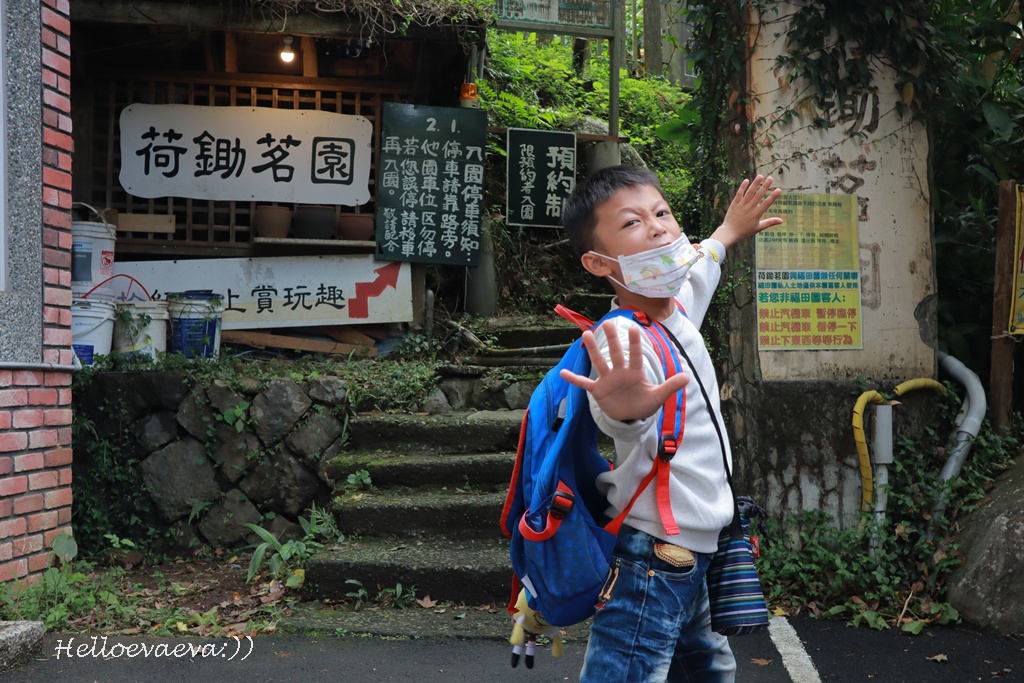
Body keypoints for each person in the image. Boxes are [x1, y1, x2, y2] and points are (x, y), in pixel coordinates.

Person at [559, 165, 782, 683]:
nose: (659, 227)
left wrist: (728, 232)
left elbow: (701, 267)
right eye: (633, 222)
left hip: (692, 550)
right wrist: (626, 410)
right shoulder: (622, 338)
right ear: (597, 261)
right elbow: (625, 422)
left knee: (706, 669)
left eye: (662, 212)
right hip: (653, 555)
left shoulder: (673, 309)